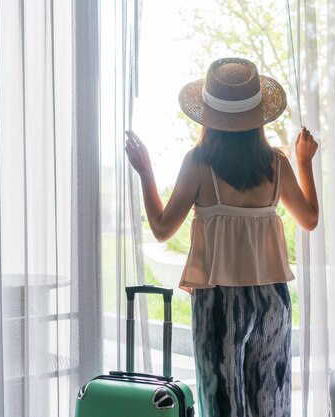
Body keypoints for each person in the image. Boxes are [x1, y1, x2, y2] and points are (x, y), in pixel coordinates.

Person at [126, 57, 318, 417]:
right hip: (272, 299)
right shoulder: (277, 164)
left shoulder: (198, 163)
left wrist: (146, 173)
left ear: (210, 117)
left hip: (218, 302)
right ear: (256, 117)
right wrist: (304, 161)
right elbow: (309, 219)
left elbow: (162, 229)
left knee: (222, 404)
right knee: (271, 403)